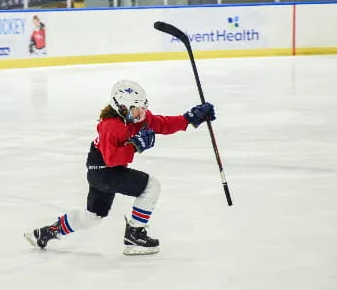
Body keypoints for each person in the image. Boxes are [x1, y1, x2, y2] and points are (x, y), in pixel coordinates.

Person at [24, 80, 215, 255]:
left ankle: (45, 232)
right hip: (104, 172)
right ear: (122, 107)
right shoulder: (111, 125)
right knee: (151, 186)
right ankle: (134, 236)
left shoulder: (136, 117)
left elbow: (161, 124)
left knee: (92, 217)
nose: (141, 113)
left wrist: (190, 118)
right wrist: (134, 146)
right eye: (136, 109)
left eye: (142, 108)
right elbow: (112, 159)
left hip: (100, 173)